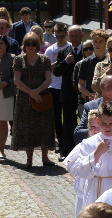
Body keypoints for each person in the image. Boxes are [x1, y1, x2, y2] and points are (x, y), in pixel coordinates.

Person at [64, 109, 100, 218]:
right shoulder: (85, 146)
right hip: (85, 196)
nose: (96, 131)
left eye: (98, 128)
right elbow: (70, 165)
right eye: (92, 128)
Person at [11, 32, 55, 167]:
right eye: (28, 44)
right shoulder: (19, 60)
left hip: (42, 97)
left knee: (44, 126)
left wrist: (38, 91)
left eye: (33, 44)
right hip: (25, 99)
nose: (30, 46)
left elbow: (48, 78)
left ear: (37, 45)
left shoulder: (45, 60)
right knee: (27, 129)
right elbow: (16, 80)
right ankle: (29, 159)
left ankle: (45, 158)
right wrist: (30, 92)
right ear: (24, 45)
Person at [53, 24, 83, 158]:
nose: (75, 38)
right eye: (72, 36)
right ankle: (67, 151)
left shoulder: (87, 50)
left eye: (77, 35)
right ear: (68, 36)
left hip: (83, 92)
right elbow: (56, 71)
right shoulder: (64, 52)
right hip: (68, 92)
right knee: (68, 122)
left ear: (81, 36)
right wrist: (65, 62)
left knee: (85, 121)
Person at [44, 23, 70, 155]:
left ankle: (67, 142)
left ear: (66, 34)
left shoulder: (70, 47)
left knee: (67, 117)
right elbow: (47, 68)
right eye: (57, 36)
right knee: (56, 118)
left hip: (66, 86)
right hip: (53, 86)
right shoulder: (50, 50)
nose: (60, 39)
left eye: (62, 36)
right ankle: (60, 142)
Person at [77, 29, 108, 103]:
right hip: (92, 99)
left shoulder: (110, 59)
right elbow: (80, 85)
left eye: (100, 41)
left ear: (105, 43)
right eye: (95, 41)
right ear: (92, 43)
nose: (98, 44)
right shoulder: (86, 62)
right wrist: (89, 94)